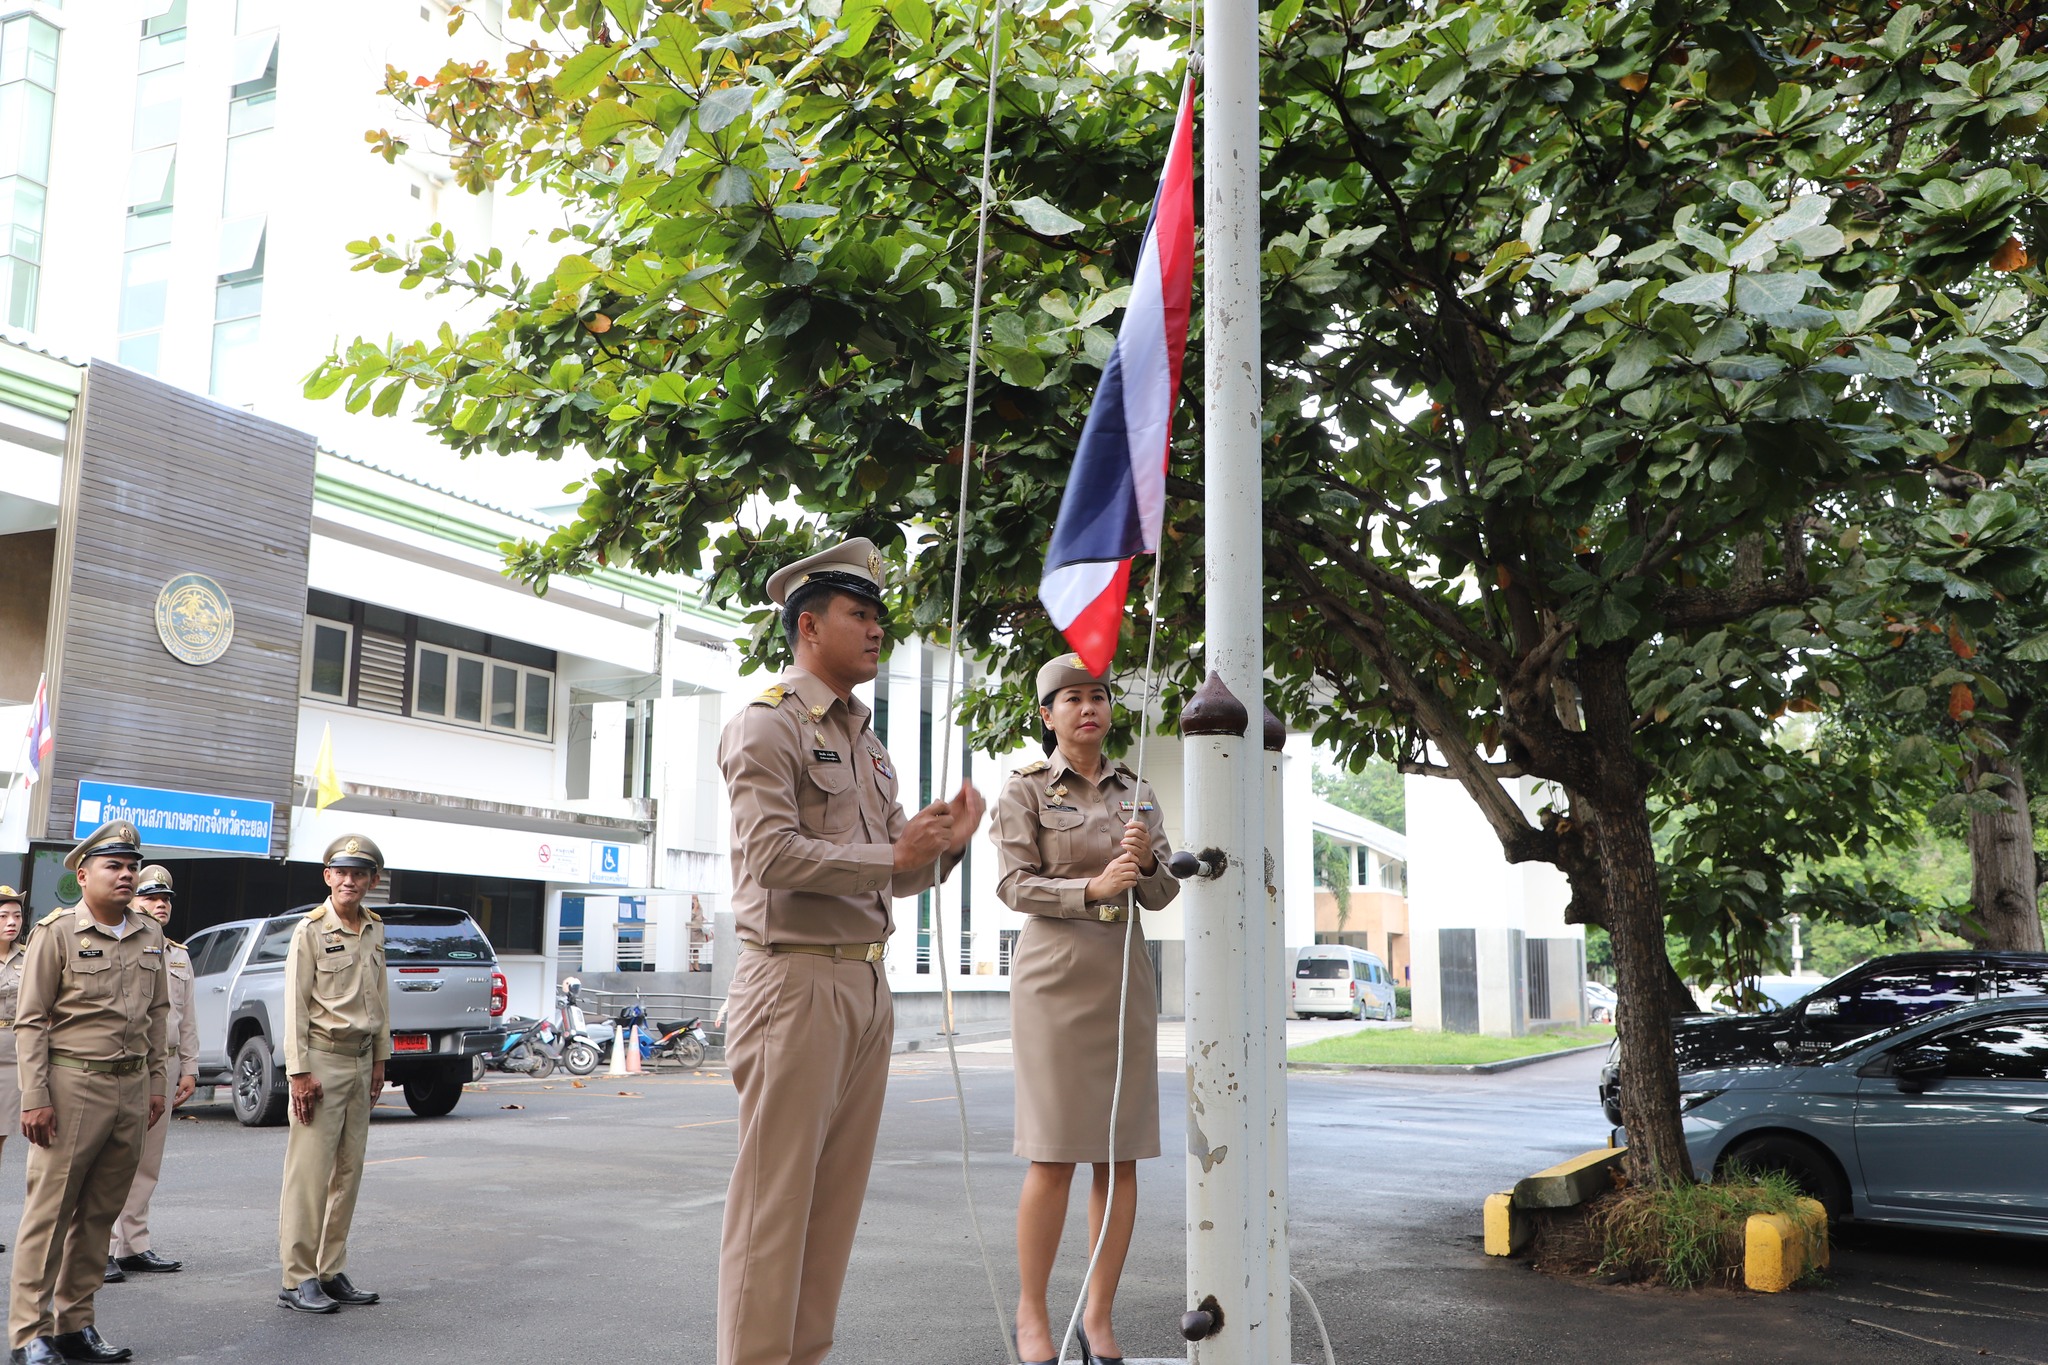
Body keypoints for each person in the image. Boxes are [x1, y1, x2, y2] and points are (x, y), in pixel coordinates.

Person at [716, 535, 984, 1365]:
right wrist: (893, 853)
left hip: (866, 984)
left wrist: (944, 849)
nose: (876, 630)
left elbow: (891, 877)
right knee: (772, 1210)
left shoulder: (868, 743)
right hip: (793, 982)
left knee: (831, 1211)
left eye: (879, 617)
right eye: (859, 613)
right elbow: (771, 856)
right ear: (808, 625)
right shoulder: (767, 723)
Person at [991, 654, 1178, 1365]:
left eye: (1097, 695)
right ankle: (1033, 1314)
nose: (1088, 707)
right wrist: (1092, 887)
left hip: (1123, 974)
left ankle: (1097, 1316)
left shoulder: (1138, 790)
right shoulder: (1026, 788)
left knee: (1118, 1155)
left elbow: (1162, 893)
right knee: (1054, 1154)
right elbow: (1013, 884)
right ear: (1047, 714)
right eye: (1071, 698)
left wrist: (1148, 862)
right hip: (1055, 977)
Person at [9, 821, 170, 1365]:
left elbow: (158, 1014)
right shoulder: (56, 933)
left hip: (131, 1087)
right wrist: (35, 1095)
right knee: (50, 1214)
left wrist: (156, 1083)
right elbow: (31, 1020)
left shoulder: (150, 935)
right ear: (83, 875)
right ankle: (30, 1333)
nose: (126, 875)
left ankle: (74, 1325)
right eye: (113, 866)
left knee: (100, 1214)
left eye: (132, 867)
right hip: (72, 1085)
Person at [274, 835, 390, 1316]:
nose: (349, 881)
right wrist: (299, 1072)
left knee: (348, 1172)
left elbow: (380, 996)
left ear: (372, 881)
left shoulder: (374, 928)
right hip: (321, 1061)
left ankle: (330, 1268)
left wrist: (380, 1059)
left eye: (359, 874)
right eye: (341, 872)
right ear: (327, 876)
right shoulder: (310, 930)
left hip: (361, 1061)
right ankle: (297, 1277)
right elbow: (295, 1005)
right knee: (309, 1175)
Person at [105, 868, 198, 1282]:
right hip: (128, 1062)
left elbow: (187, 1017)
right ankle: (103, 1246)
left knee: (148, 1161)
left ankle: (133, 1245)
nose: (161, 905)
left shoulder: (177, 954)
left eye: (166, 899)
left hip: (167, 1063)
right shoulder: (120, 945)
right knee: (114, 1158)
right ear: (131, 901)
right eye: (151, 898)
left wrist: (190, 1068)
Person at [0, 885, 26, 1181]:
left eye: (17, 916)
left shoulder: (29, 956)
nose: (12, 922)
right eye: (4, 916)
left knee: (1, 1133)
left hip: (14, 1055)